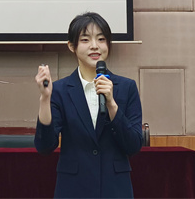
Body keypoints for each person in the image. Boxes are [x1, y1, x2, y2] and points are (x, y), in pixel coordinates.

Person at [34, 12, 143, 198]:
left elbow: (133, 146)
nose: (95, 46)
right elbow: (45, 146)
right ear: (72, 46)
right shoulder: (59, 90)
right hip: (73, 189)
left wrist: (112, 105)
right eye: (85, 40)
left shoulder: (127, 87)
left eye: (101, 39)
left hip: (115, 189)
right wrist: (45, 98)